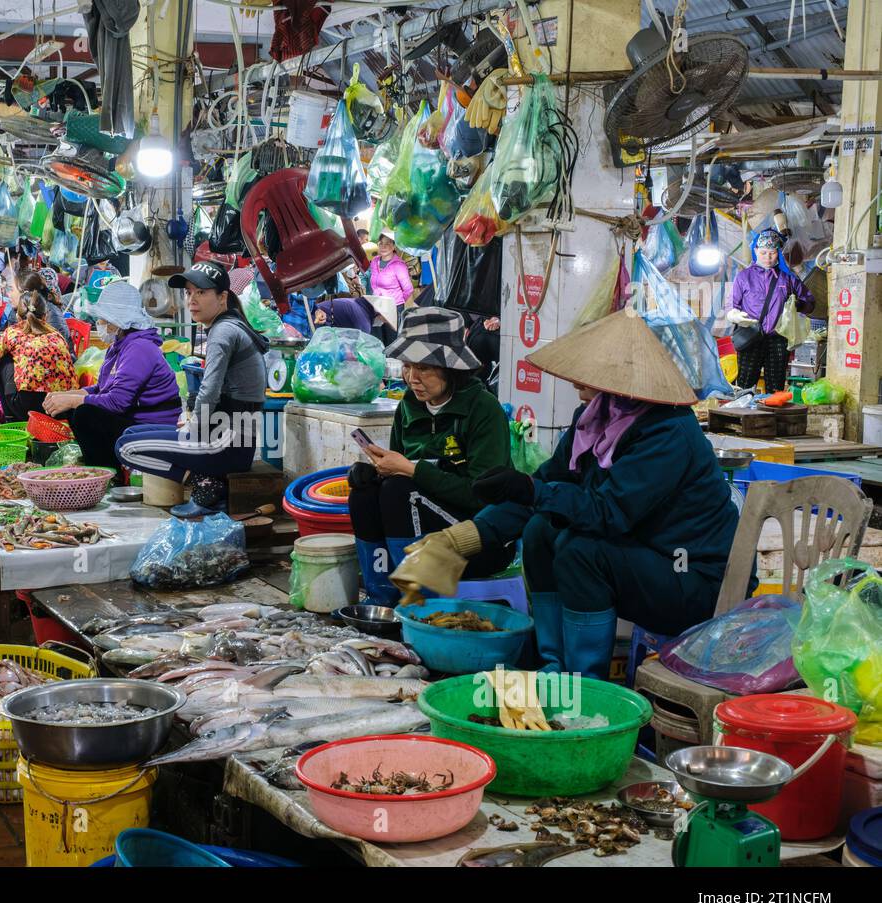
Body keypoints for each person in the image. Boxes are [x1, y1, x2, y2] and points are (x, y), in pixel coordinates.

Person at [390, 307, 744, 680]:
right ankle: (553, 667)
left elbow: (608, 513)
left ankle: (583, 683)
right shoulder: (595, 418)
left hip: (690, 575)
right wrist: (456, 542)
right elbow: (543, 490)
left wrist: (532, 489)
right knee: (540, 531)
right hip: (642, 558)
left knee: (581, 550)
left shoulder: (667, 433)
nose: (579, 376)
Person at [348, 308, 513, 606]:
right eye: (407, 366)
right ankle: (382, 599)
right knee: (365, 493)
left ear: (451, 367)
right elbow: (397, 474)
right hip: (423, 521)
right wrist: (376, 472)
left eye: (424, 368)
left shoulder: (483, 409)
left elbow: (484, 496)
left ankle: (419, 602)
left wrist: (413, 470)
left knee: (400, 491)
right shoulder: (409, 408)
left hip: (480, 537)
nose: (413, 378)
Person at [117, 261, 268, 516]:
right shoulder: (230, 325)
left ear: (222, 297)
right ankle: (205, 480)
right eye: (189, 292)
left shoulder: (223, 332)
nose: (192, 300)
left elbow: (209, 390)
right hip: (228, 437)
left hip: (226, 445)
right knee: (132, 431)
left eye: (201, 292)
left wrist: (192, 427)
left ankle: (205, 485)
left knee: (125, 447)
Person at [43, 280, 181, 469]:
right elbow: (101, 388)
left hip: (150, 426)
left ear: (118, 321)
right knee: (73, 408)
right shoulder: (120, 346)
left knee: (85, 413)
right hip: (132, 418)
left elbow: (117, 402)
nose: (99, 323)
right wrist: (65, 396)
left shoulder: (139, 348)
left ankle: (108, 471)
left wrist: (73, 401)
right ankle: (98, 466)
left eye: (103, 319)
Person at [727, 226, 813, 393]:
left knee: (776, 388)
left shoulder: (787, 279)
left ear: (778, 252)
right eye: (764, 252)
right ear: (756, 250)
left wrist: (797, 305)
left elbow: (809, 301)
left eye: (772, 252)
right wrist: (735, 315)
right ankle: (743, 416)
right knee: (744, 385)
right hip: (750, 337)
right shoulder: (744, 276)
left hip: (778, 338)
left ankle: (772, 418)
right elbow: (732, 304)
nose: (768, 257)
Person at [0, 289, 76, 421]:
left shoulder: (11, 333)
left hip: (27, 408)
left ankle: (10, 417)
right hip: (60, 408)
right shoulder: (57, 336)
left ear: (18, 316)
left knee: (4, 360)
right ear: (45, 316)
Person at [369, 230, 413, 315]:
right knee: (379, 328)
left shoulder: (399, 265)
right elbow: (374, 283)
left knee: (393, 328)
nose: (383, 246)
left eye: (387, 244)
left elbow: (408, 289)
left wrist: (397, 301)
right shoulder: (375, 261)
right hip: (378, 305)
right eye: (381, 243)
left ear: (393, 247)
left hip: (394, 307)